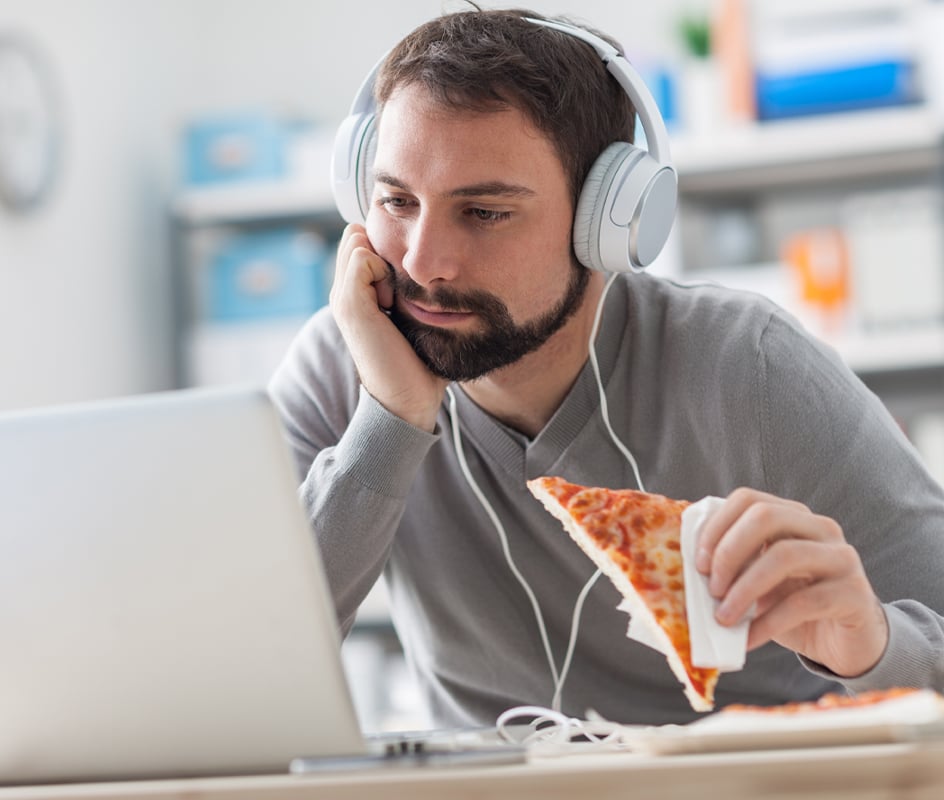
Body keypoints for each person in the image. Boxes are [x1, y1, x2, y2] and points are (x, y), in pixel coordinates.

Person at [268, 6, 944, 727]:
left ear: (609, 220)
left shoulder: (751, 366)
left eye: (485, 212)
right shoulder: (344, 362)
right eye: (397, 200)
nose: (422, 262)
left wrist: (870, 644)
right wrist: (389, 421)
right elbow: (246, 664)